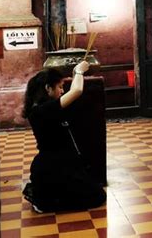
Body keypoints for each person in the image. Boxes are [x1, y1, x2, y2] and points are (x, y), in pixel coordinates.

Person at [22, 60, 106, 213]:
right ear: (48, 88)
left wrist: (75, 74)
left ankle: (46, 200)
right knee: (97, 196)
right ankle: (45, 202)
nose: (62, 91)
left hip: (56, 164)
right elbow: (76, 91)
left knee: (94, 191)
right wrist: (79, 71)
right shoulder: (43, 110)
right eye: (60, 87)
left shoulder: (44, 108)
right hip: (53, 167)